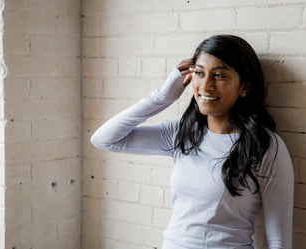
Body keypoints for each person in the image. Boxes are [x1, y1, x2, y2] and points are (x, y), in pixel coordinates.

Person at [91, 34, 294, 249]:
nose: (205, 86)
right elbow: (104, 140)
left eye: (219, 75)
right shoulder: (182, 133)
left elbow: (278, 242)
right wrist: (162, 97)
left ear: (244, 87)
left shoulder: (266, 146)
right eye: (199, 73)